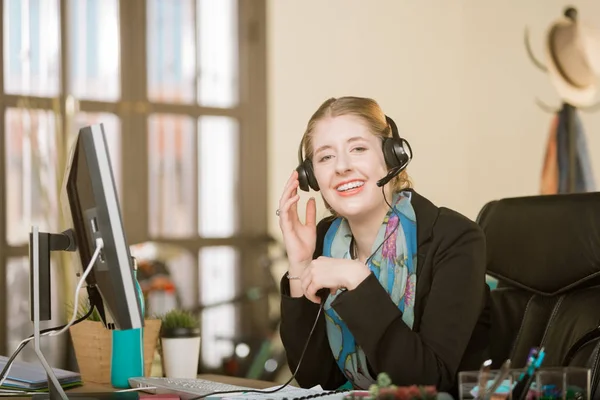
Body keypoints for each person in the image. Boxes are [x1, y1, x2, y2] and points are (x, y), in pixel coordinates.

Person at [277, 96, 490, 394]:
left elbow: (428, 383)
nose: (341, 167)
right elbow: (317, 378)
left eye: (358, 149)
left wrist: (357, 280)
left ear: (392, 156)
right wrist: (300, 266)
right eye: (325, 157)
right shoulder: (323, 239)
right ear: (311, 177)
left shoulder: (454, 239)